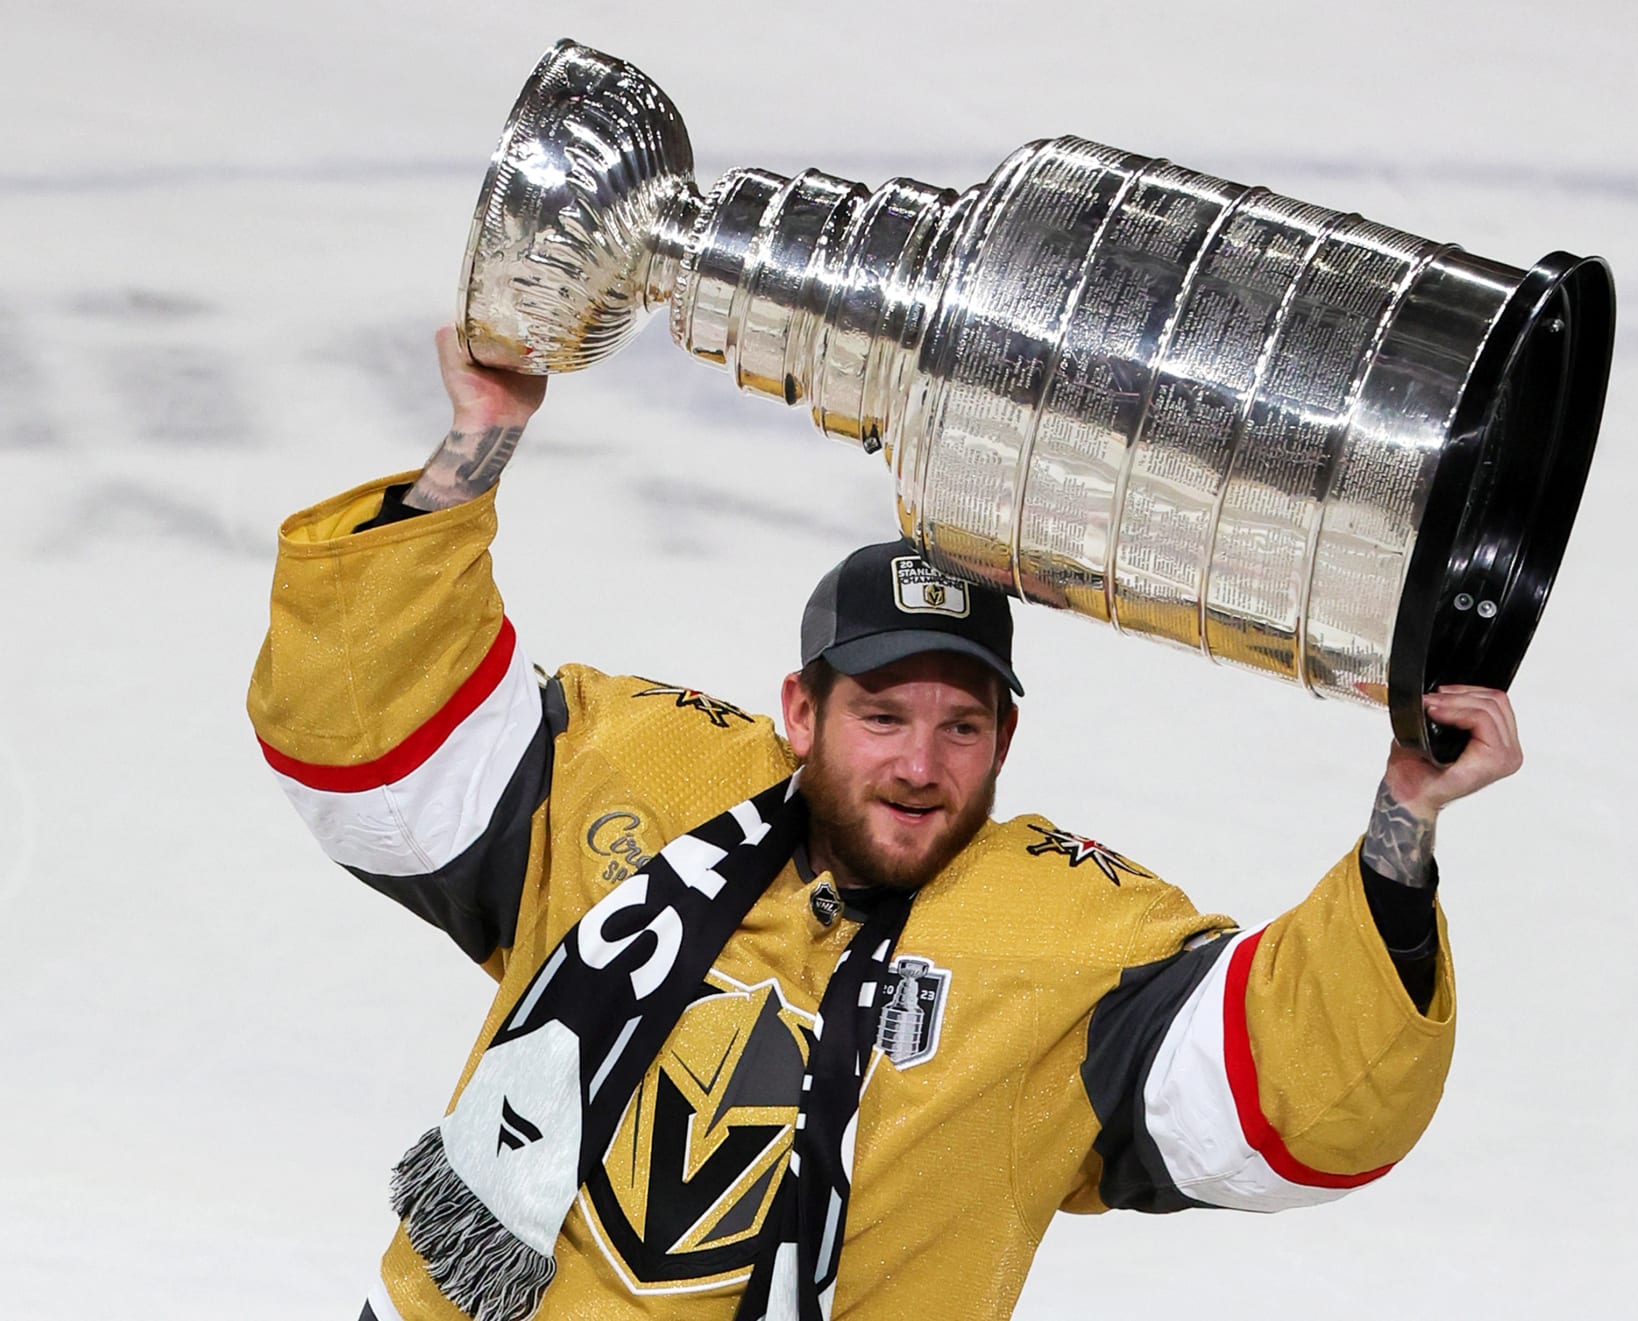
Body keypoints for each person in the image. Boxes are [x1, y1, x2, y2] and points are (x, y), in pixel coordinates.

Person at [248, 328, 1522, 1321]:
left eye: (961, 724)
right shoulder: (632, 775)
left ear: (1004, 743)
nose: (920, 762)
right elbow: (370, 739)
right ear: (800, 712)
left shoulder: (1064, 943)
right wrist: (475, 444)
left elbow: (1296, 1092)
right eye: (882, 714)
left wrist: (1402, 826)